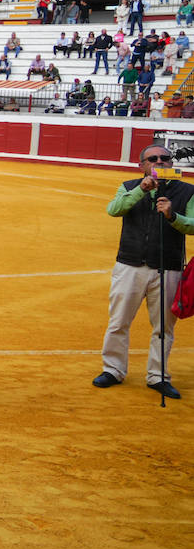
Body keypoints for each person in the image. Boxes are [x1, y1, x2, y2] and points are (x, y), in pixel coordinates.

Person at [93, 145, 189, 399]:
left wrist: (173, 216)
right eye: (153, 159)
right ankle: (113, 370)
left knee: (163, 327)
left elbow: (193, 226)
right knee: (118, 322)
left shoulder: (188, 190)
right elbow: (114, 210)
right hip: (130, 265)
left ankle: (158, 376)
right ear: (142, 165)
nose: (160, 161)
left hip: (168, 267)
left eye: (165, 158)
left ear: (171, 162)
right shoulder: (128, 186)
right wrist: (140, 190)